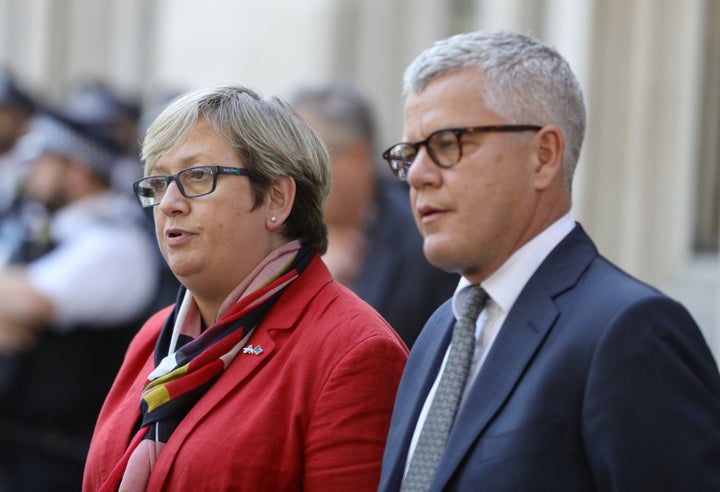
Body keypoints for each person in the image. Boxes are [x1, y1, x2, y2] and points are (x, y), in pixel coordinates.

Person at [378, 30, 720, 491]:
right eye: (409, 153)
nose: (417, 176)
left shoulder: (631, 331)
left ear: (543, 156)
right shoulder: (439, 330)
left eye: (448, 143)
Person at [82, 85, 409, 491]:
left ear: (276, 198)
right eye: (159, 182)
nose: (169, 203)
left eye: (197, 176)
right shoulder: (154, 337)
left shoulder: (353, 353)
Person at [0, 109, 160, 491]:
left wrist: (15, 307)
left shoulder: (115, 242)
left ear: (77, 170)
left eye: (43, 160)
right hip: (23, 450)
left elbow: (32, 301)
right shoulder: (49, 230)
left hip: (63, 460)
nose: (31, 170)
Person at [287, 81, 457, 347]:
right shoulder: (274, 232)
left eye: (303, 162)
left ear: (358, 157)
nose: (289, 178)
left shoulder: (424, 239)